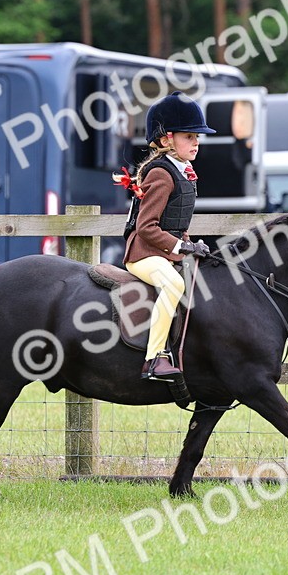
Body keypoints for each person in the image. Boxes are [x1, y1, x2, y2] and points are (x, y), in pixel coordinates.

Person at [118, 91, 214, 381]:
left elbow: (175, 220)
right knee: (173, 284)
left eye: (197, 137)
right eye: (189, 137)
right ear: (165, 139)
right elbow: (147, 227)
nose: (196, 143)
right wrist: (182, 246)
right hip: (143, 255)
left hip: (164, 252)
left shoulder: (183, 171)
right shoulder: (161, 174)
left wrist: (192, 244)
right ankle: (154, 359)